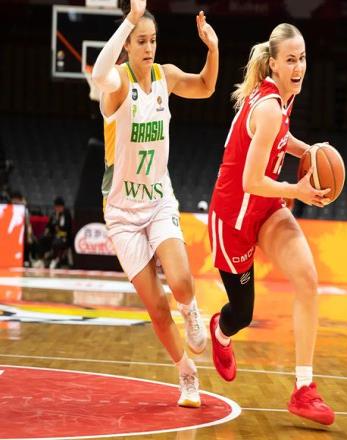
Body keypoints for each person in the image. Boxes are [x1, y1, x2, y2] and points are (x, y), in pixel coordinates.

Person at [92, 0, 219, 408]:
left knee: (181, 283)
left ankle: (192, 310)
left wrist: (213, 49)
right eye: (141, 41)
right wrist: (130, 18)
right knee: (158, 308)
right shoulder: (116, 86)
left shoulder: (166, 77)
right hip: (122, 213)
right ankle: (186, 373)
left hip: (158, 199)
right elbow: (98, 73)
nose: (149, 48)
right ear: (127, 46)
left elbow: (206, 86)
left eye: (153, 40)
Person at [208, 23, 334, 425]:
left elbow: (282, 139)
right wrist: (297, 191)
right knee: (242, 315)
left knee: (307, 278)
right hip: (232, 219)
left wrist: (311, 151)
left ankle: (304, 389)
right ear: (274, 65)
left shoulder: (283, 99)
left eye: (303, 58)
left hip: (265, 209)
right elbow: (250, 181)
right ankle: (221, 330)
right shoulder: (267, 108)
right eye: (291, 60)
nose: (299, 67)